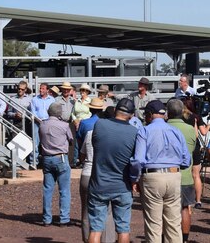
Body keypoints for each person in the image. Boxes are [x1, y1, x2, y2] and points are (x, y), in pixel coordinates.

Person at [133, 99, 191, 243]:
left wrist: (134, 178)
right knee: (173, 224)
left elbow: (138, 160)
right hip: (174, 175)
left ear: (150, 114)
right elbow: (186, 160)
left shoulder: (144, 131)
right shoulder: (176, 131)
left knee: (154, 224)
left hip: (152, 176)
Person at [88, 98, 138, 243]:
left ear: (115, 109)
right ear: (131, 115)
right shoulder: (134, 132)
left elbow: (95, 144)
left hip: (99, 184)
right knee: (123, 229)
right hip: (122, 186)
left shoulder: (100, 124)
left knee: (96, 229)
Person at [79, 98, 112, 243]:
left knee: (86, 212)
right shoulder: (111, 135)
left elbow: (81, 156)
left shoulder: (88, 130)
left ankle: (87, 239)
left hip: (87, 171)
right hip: (105, 174)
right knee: (107, 212)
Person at [166, 99, 198, 243]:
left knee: (165, 210)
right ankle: (184, 239)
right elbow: (192, 150)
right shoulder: (190, 129)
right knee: (185, 208)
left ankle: (167, 237)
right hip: (185, 175)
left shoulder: (163, 127)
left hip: (167, 174)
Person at [39, 103, 73, 227]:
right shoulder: (64, 125)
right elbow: (71, 140)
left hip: (47, 158)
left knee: (47, 189)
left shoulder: (42, 124)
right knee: (64, 190)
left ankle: (46, 219)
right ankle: (64, 219)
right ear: (59, 113)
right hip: (61, 157)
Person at [30, 83, 55, 165]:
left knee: (48, 142)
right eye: (40, 88)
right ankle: (33, 162)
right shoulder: (34, 99)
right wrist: (39, 120)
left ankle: (48, 161)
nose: (41, 90)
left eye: (43, 89)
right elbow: (33, 112)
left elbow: (53, 111)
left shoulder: (52, 100)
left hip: (48, 122)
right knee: (35, 142)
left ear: (47, 90)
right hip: (37, 123)